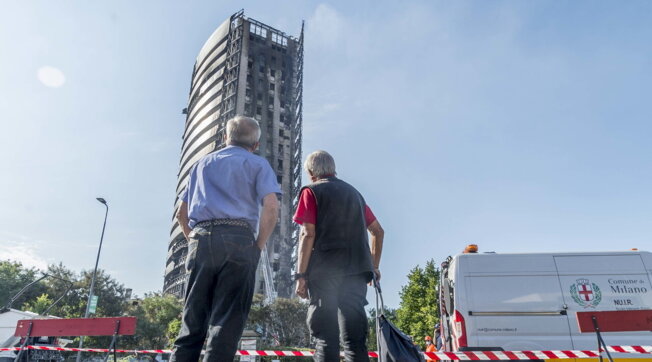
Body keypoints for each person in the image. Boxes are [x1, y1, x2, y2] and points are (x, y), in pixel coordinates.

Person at [171, 116, 281, 362]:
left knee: (192, 322)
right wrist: (257, 247)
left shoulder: (200, 165)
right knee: (226, 323)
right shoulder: (258, 164)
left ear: (225, 138)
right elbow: (271, 208)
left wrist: (194, 241)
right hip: (239, 240)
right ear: (256, 144)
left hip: (201, 237)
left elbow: (181, 213)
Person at [294, 150, 384, 362]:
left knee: (326, 338)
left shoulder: (311, 191)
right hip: (357, 273)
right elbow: (378, 231)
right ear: (333, 169)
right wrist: (374, 266)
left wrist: (300, 276)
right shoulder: (355, 194)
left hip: (324, 272)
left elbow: (308, 234)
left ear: (310, 172)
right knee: (355, 339)